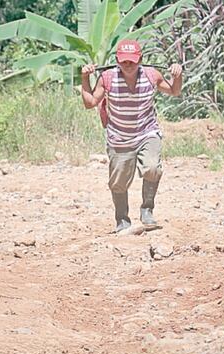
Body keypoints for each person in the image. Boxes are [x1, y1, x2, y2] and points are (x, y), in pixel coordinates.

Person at [81, 39, 183, 233]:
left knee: (152, 168)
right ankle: (122, 221)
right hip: (119, 138)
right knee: (118, 183)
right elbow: (90, 102)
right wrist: (84, 78)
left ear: (141, 60)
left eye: (132, 61)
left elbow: (174, 91)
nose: (128, 65)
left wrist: (177, 75)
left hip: (147, 132)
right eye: (124, 61)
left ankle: (147, 210)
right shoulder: (107, 78)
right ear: (118, 61)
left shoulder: (152, 76)